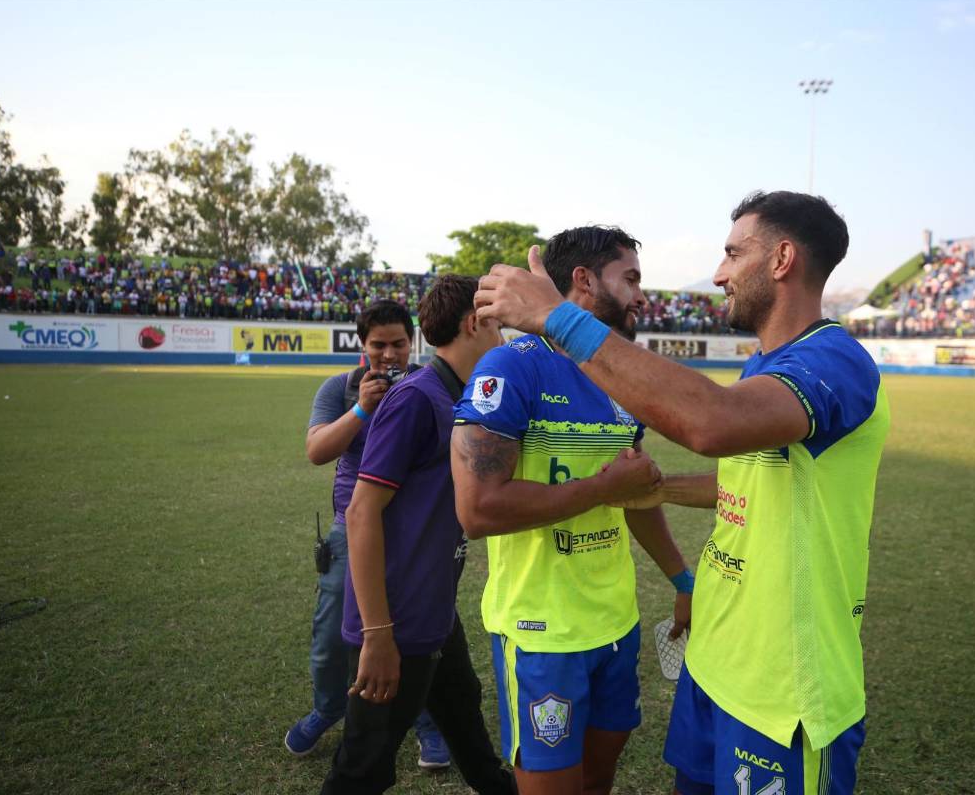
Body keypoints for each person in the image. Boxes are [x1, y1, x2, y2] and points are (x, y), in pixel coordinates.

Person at [471, 191, 890, 795]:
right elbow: (743, 485)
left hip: (784, 689)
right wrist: (662, 499)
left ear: (782, 259)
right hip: (715, 666)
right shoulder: (767, 367)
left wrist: (556, 318)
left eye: (731, 253)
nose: (718, 274)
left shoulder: (836, 361)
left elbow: (712, 423)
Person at [450, 226, 694, 795]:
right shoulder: (513, 368)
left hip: (616, 622)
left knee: (598, 779)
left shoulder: (621, 373)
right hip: (542, 634)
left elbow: (634, 491)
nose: (640, 296)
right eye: (629, 278)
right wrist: (606, 484)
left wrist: (681, 578)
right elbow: (478, 510)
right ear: (582, 281)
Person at [319, 275, 515, 795]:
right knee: (360, 771)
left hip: (434, 612)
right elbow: (362, 513)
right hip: (395, 623)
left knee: (472, 739)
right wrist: (378, 637)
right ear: (474, 323)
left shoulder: (460, 394)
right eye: (497, 324)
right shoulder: (416, 398)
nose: (504, 336)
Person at [285, 299, 451, 768]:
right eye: (379, 345)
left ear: (412, 341)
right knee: (332, 635)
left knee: (421, 634)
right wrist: (361, 409)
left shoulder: (427, 385)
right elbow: (317, 451)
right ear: (362, 345)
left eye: (399, 343)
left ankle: (427, 723)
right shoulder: (339, 389)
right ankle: (327, 707)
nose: (390, 354)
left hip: (414, 534)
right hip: (349, 530)